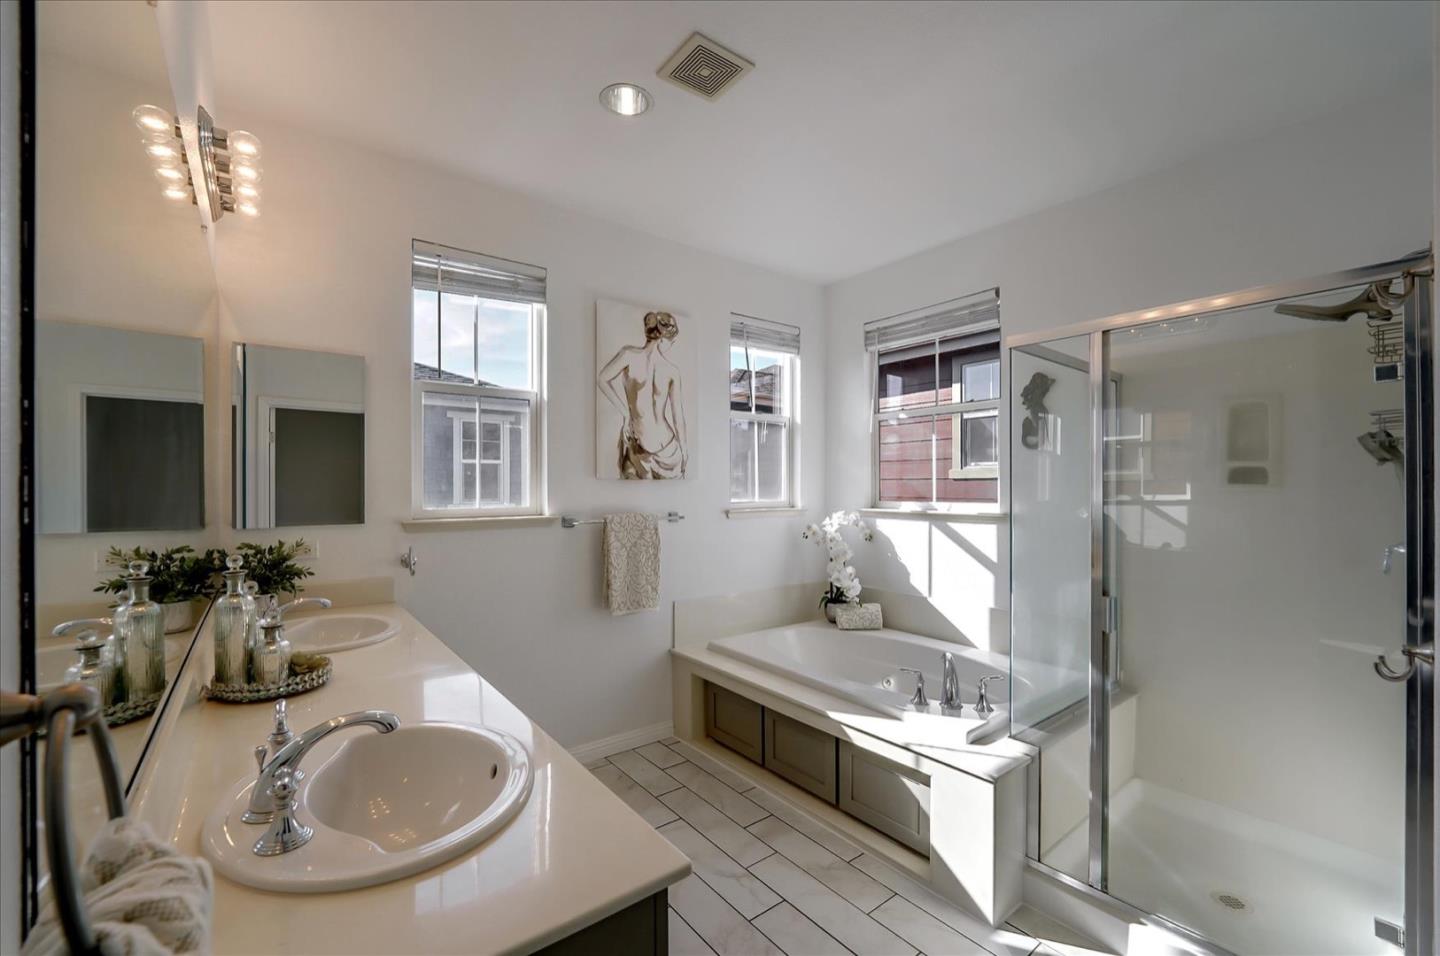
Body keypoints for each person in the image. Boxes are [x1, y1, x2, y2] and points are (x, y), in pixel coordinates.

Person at [598, 310, 689, 479]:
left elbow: (602, 379)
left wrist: (626, 414)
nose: (672, 345)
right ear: (663, 338)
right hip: (649, 449)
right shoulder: (670, 371)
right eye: (672, 341)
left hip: (665, 452)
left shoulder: (629, 355)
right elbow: (678, 417)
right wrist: (684, 450)